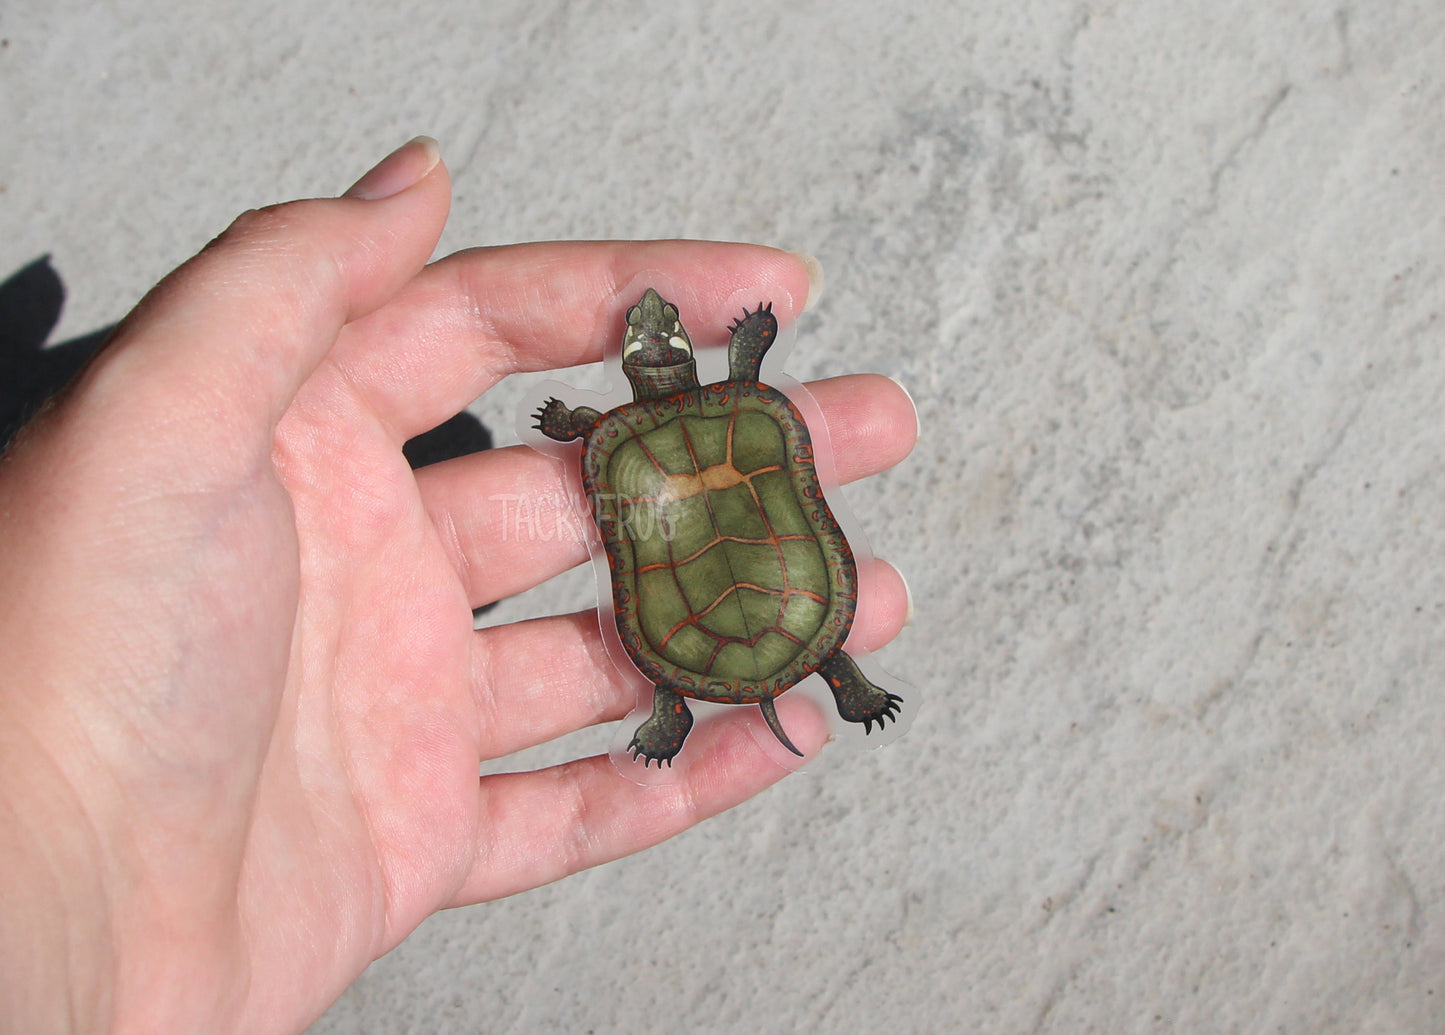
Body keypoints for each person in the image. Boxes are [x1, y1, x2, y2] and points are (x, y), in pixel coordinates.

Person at [0, 137, 916, 1032]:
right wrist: (744, 348)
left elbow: (609, 439)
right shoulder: (734, 403)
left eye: (657, 336)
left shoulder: (614, 437)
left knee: (679, 573)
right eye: (652, 337)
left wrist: (575, 419)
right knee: (755, 551)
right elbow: (754, 417)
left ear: (649, 366)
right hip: (777, 577)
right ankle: (821, 670)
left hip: (688, 593)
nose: (651, 336)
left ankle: (684, 697)